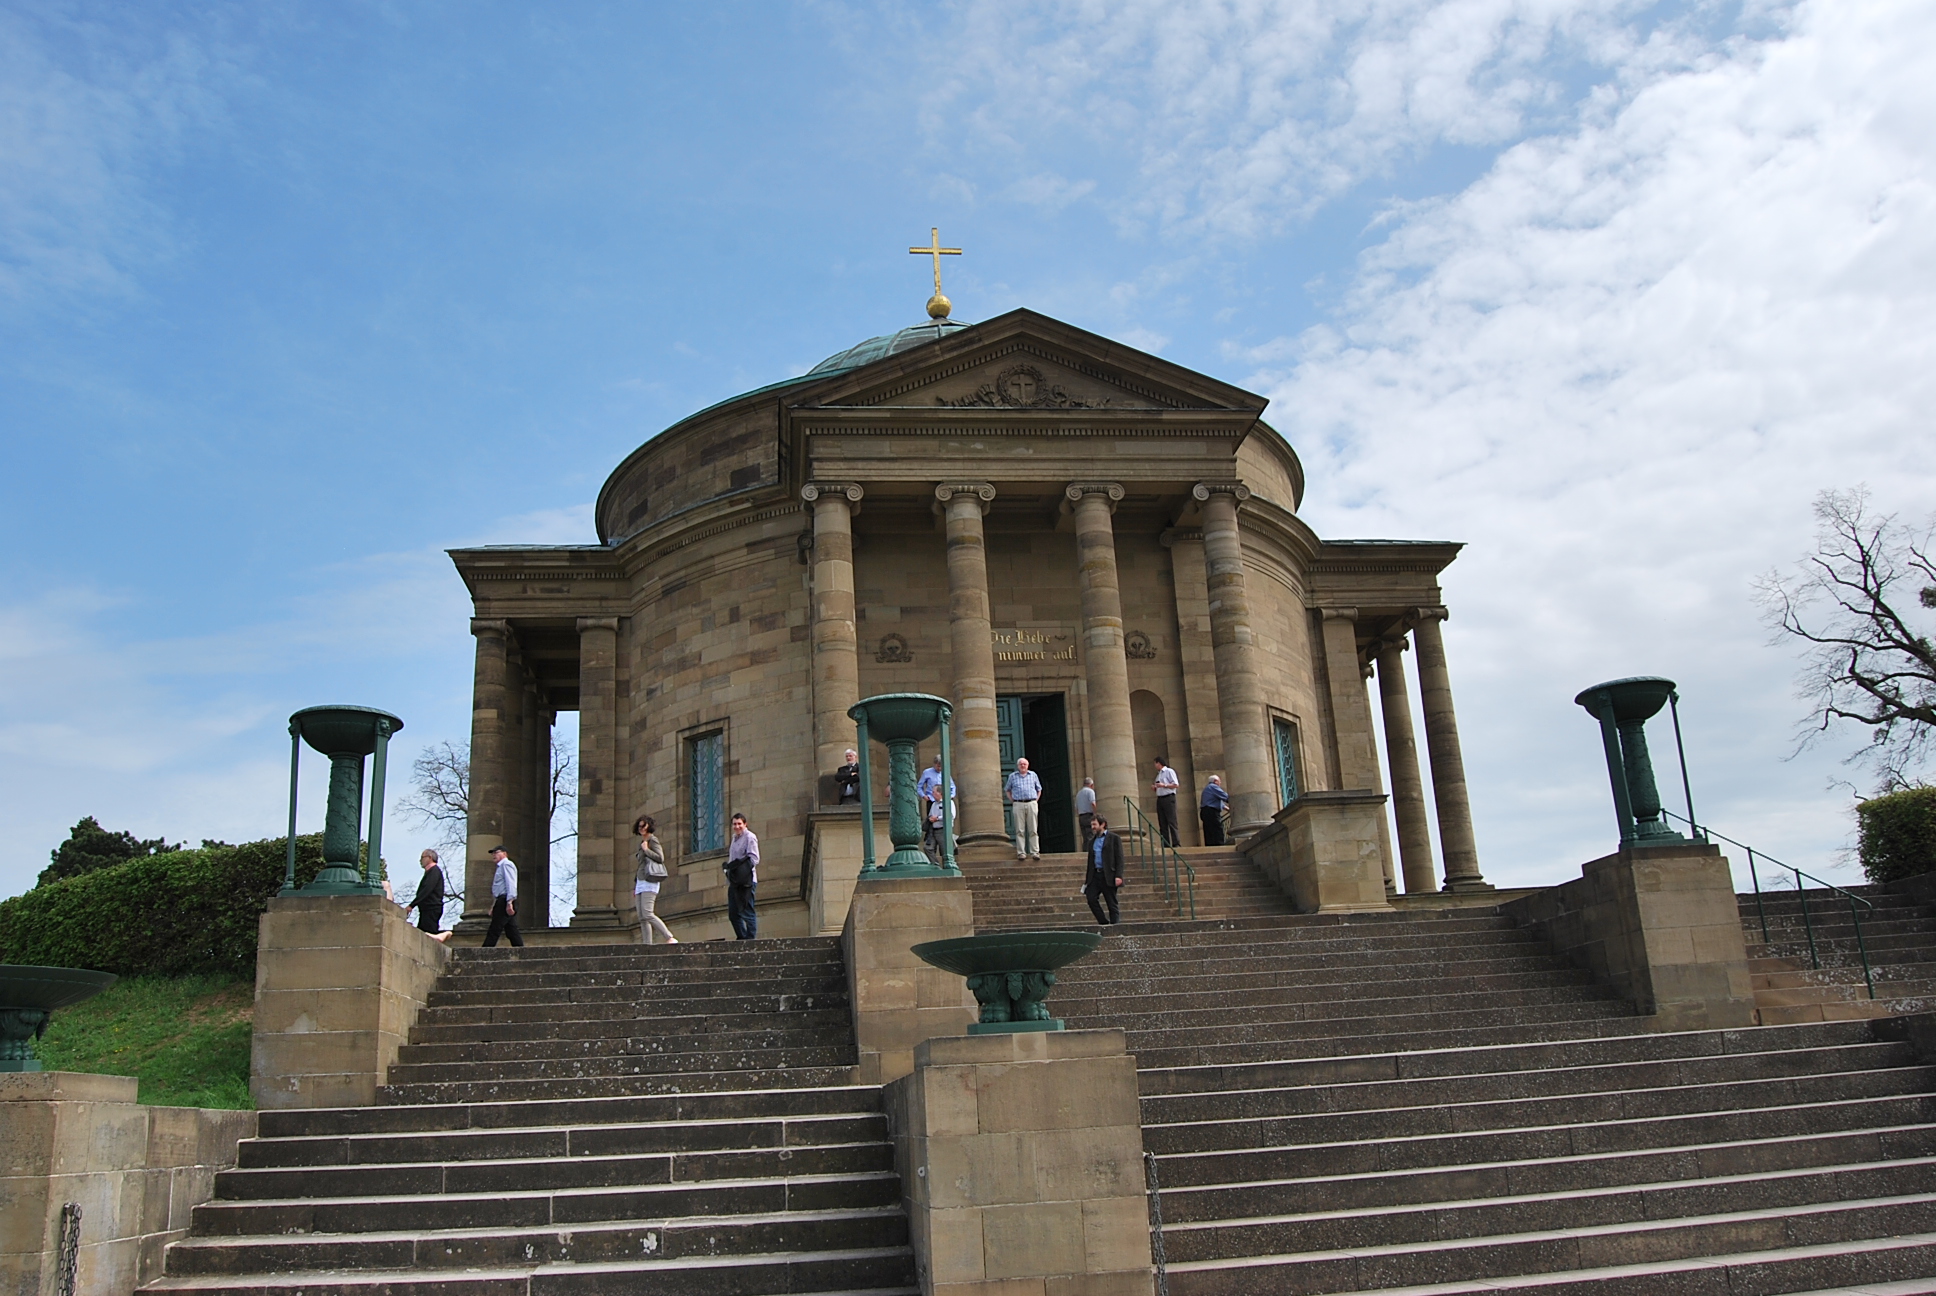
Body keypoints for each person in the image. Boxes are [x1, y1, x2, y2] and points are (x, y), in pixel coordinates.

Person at [633, 815, 678, 945]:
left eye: (644, 826)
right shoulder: (642, 842)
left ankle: (669, 936)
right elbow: (640, 865)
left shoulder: (652, 840)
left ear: (649, 826)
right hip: (640, 881)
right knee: (642, 916)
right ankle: (647, 943)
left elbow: (660, 858)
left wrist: (646, 850)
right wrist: (635, 884)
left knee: (648, 913)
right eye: (639, 826)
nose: (641, 828)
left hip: (650, 880)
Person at [1083, 813, 1125, 925]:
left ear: (1103, 824)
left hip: (1108, 875)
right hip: (1095, 875)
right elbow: (1090, 862)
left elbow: (1119, 858)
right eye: (1092, 825)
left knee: (1111, 903)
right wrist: (1087, 881)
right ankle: (1104, 923)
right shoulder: (1091, 841)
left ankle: (1115, 926)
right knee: (1091, 898)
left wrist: (1118, 875)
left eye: (1094, 824)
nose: (1092, 827)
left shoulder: (1114, 838)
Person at [405, 849, 452, 943]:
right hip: (427, 909)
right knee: (423, 934)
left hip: (431, 908)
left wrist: (412, 905)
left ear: (430, 857)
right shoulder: (431, 872)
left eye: (422, 857)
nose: (420, 861)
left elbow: (426, 890)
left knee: (427, 936)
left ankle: (443, 934)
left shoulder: (434, 871)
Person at [726, 812, 759, 940]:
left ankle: (750, 938)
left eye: (739, 824)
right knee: (733, 913)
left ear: (745, 824)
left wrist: (741, 870)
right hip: (734, 881)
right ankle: (742, 937)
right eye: (734, 824)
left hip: (746, 881)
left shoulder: (750, 837)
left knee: (747, 910)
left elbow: (754, 858)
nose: (737, 826)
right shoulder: (734, 838)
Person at [483, 845, 523, 947]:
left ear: (504, 853)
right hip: (502, 899)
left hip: (505, 899)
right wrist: (493, 905)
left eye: (496, 852)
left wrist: (510, 901)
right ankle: (520, 949)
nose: (494, 855)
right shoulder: (501, 867)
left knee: (495, 928)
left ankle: (485, 950)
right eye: (493, 853)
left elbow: (511, 883)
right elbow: (499, 888)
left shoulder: (507, 865)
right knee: (511, 929)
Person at [1005, 758, 1042, 860]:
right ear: (1018, 766)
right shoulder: (1012, 776)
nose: (1022, 765)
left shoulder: (1033, 775)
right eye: (1021, 764)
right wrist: (1013, 801)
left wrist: (1035, 801)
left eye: (1024, 764)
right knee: (1019, 830)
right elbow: (1007, 790)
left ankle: (1035, 852)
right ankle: (1021, 852)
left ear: (1028, 765)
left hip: (1031, 803)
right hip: (1018, 803)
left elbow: (1039, 789)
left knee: (1033, 829)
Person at [1152, 756, 1181, 847]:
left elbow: (1175, 784)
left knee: (1171, 821)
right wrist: (1155, 787)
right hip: (1160, 798)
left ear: (1159, 763)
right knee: (1162, 823)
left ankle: (1176, 843)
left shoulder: (1169, 771)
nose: (1155, 766)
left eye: (1155, 763)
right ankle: (1165, 843)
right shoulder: (1158, 775)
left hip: (1168, 798)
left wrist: (1164, 785)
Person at [1200, 775, 1230, 847]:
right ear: (1215, 781)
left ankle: (1210, 845)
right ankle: (1220, 844)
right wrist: (1233, 800)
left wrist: (1227, 808)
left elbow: (1216, 801)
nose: (1220, 783)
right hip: (1211, 811)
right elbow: (1225, 796)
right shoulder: (1213, 787)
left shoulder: (1208, 788)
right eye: (1219, 781)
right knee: (1217, 828)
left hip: (1205, 811)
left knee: (1209, 830)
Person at [1075, 776, 1098, 849]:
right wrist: (1095, 814)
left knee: (1085, 837)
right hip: (1089, 816)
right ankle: (1090, 852)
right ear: (1091, 785)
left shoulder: (1078, 794)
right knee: (1090, 835)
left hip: (1081, 817)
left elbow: (1076, 808)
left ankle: (1085, 851)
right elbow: (1093, 803)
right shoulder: (1090, 791)